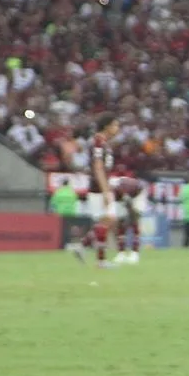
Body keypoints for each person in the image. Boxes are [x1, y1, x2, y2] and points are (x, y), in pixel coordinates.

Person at [75, 114, 120, 267]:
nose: (117, 129)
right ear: (107, 126)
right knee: (107, 220)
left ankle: (83, 247)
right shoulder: (98, 142)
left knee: (106, 221)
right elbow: (98, 167)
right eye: (115, 125)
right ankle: (99, 259)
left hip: (102, 186)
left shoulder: (103, 142)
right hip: (99, 187)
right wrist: (105, 190)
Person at [113, 175, 144, 265]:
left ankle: (135, 253)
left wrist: (131, 211)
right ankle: (121, 253)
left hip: (137, 195)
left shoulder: (133, 187)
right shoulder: (115, 191)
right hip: (124, 198)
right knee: (121, 225)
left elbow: (134, 213)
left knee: (134, 223)